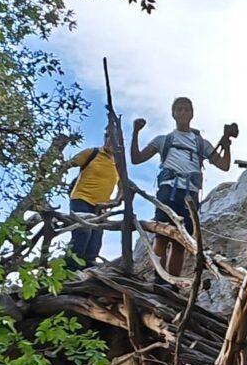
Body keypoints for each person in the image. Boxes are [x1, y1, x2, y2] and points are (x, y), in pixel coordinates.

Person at [130, 98, 235, 278]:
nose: (183, 113)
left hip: (189, 194)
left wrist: (227, 145)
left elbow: (224, 165)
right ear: (173, 114)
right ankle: (160, 279)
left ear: (192, 113)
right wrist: (135, 133)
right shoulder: (163, 140)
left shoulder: (201, 144)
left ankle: (172, 283)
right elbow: (137, 158)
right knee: (162, 236)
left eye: (186, 109)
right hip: (168, 190)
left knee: (181, 242)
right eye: (179, 109)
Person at [63, 138, 119, 270]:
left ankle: (86, 272)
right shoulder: (92, 153)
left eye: (115, 139)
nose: (111, 143)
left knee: (95, 241)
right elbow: (68, 164)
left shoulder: (118, 163)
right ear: (105, 138)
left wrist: (116, 200)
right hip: (81, 199)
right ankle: (69, 270)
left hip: (101, 207)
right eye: (110, 138)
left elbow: (122, 186)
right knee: (83, 234)